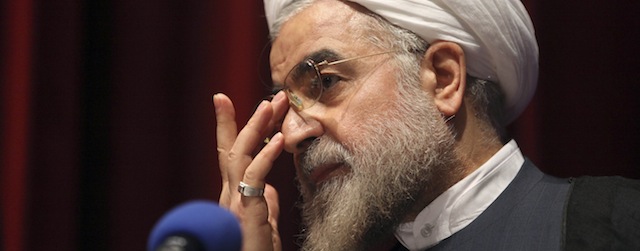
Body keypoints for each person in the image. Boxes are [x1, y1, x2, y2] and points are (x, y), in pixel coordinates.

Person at [213, 0, 640, 250]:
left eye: (325, 82)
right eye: (285, 102)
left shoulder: (617, 223)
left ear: (443, 78)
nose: (290, 135)